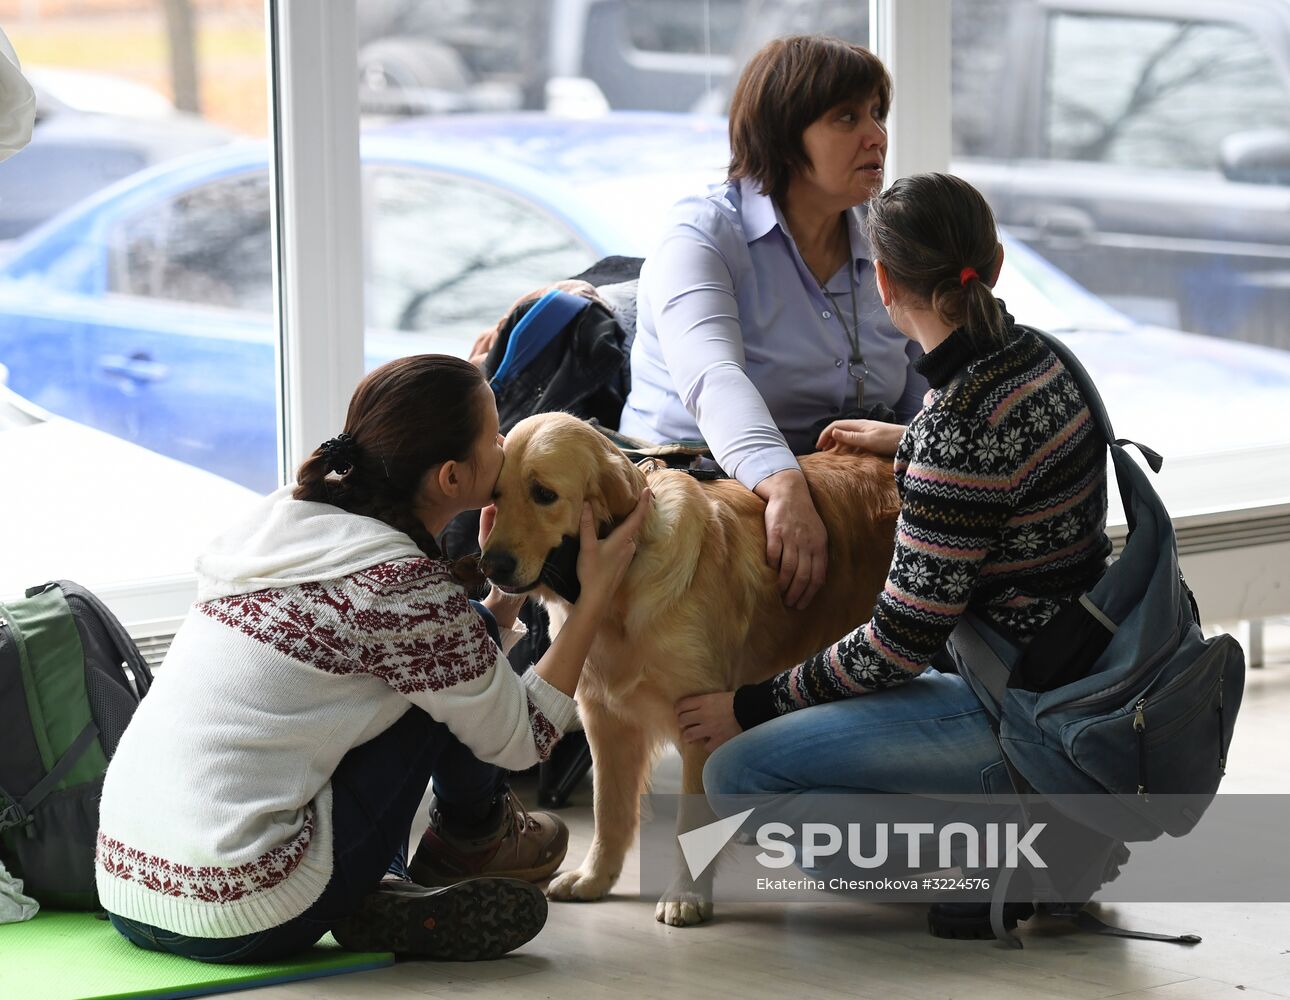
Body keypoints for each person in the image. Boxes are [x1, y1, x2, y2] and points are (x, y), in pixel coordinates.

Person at [95, 354, 651, 963]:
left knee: (453, 652)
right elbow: (524, 739)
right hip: (248, 909)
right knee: (455, 663)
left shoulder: (286, 517)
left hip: (127, 886)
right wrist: (594, 597)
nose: (504, 447)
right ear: (451, 478)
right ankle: (464, 842)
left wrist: (500, 595)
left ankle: (396, 878)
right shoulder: (405, 592)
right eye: (495, 437)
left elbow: (432, 639)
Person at [674, 172, 1115, 938]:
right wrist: (907, 440)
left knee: (738, 775)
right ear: (995, 264)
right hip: (1085, 670)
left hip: (1018, 707)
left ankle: (1023, 851)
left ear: (882, 283)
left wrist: (751, 704)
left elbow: (897, 646)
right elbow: (1003, 463)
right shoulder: (1044, 361)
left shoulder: (957, 430)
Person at [617, 35, 929, 611]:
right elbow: (714, 378)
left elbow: (922, 369)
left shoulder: (884, 232)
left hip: (835, 488)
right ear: (784, 137)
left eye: (877, 114)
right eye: (847, 117)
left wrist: (924, 440)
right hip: (694, 490)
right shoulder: (704, 232)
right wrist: (783, 482)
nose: (877, 136)